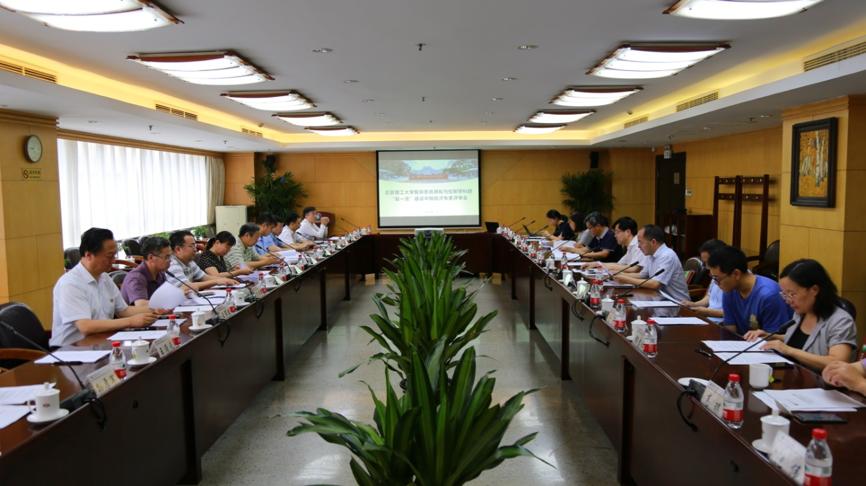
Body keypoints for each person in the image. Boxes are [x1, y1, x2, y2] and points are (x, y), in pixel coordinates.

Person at [50, 228, 158, 347]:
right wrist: (131, 322)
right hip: (71, 350)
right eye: (109, 256)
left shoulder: (104, 278)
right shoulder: (70, 284)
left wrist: (156, 309)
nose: (114, 260)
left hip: (101, 341)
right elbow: (85, 326)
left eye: (114, 255)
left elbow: (124, 311)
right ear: (88, 255)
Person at [744, 259, 857, 371]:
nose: (788, 300)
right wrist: (770, 336)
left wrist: (789, 350)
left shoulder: (841, 321)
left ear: (814, 290)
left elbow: (837, 362)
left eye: (792, 294)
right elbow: (802, 340)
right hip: (793, 375)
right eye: (784, 294)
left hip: (822, 381)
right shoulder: (802, 311)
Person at [707, 245, 791, 335]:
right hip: (741, 341)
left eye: (717, 278)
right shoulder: (729, 290)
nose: (716, 283)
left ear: (736, 274)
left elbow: (773, 337)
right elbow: (730, 328)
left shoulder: (768, 295)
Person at [613, 225, 690, 302]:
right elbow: (643, 275)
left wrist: (627, 279)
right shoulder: (650, 254)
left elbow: (655, 284)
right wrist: (618, 275)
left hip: (677, 302)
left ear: (653, 242)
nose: (638, 246)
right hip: (658, 298)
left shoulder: (667, 256)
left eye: (640, 242)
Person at [167, 230, 238, 290]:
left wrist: (223, 280)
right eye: (191, 246)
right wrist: (216, 281)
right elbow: (187, 287)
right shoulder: (172, 264)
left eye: (195, 245)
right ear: (178, 249)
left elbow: (205, 277)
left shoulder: (190, 262)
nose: (195, 249)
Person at [680, 239, 726, 322]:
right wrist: (693, 304)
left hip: (721, 322)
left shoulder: (732, 277)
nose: (707, 267)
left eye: (708, 262)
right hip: (708, 319)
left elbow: (735, 313)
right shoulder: (715, 273)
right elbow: (709, 297)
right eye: (704, 263)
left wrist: (708, 312)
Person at [120, 236, 172, 306]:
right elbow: (141, 305)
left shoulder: (160, 274)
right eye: (167, 257)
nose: (170, 260)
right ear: (151, 257)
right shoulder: (136, 277)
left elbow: (166, 297)